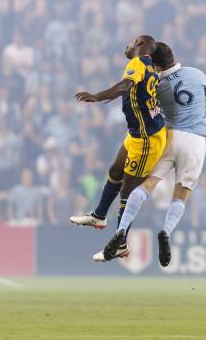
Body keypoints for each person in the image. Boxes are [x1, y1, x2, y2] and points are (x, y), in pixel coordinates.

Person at [97, 42, 206, 264]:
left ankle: (121, 231)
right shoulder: (196, 74)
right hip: (196, 141)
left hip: (168, 138)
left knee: (146, 185)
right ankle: (166, 231)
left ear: (156, 65)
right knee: (181, 193)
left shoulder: (155, 83)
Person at [69, 35, 166, 259]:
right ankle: (99, 215)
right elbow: (136, 91)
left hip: (146, 140)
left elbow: (126, 85)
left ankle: (121, 243)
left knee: (127, 191)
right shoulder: (151, 67)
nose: (127, 45)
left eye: (132, 41)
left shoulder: (138, 62)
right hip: (136, 134)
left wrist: (96, 96)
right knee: (115, 171)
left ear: (141, 44)